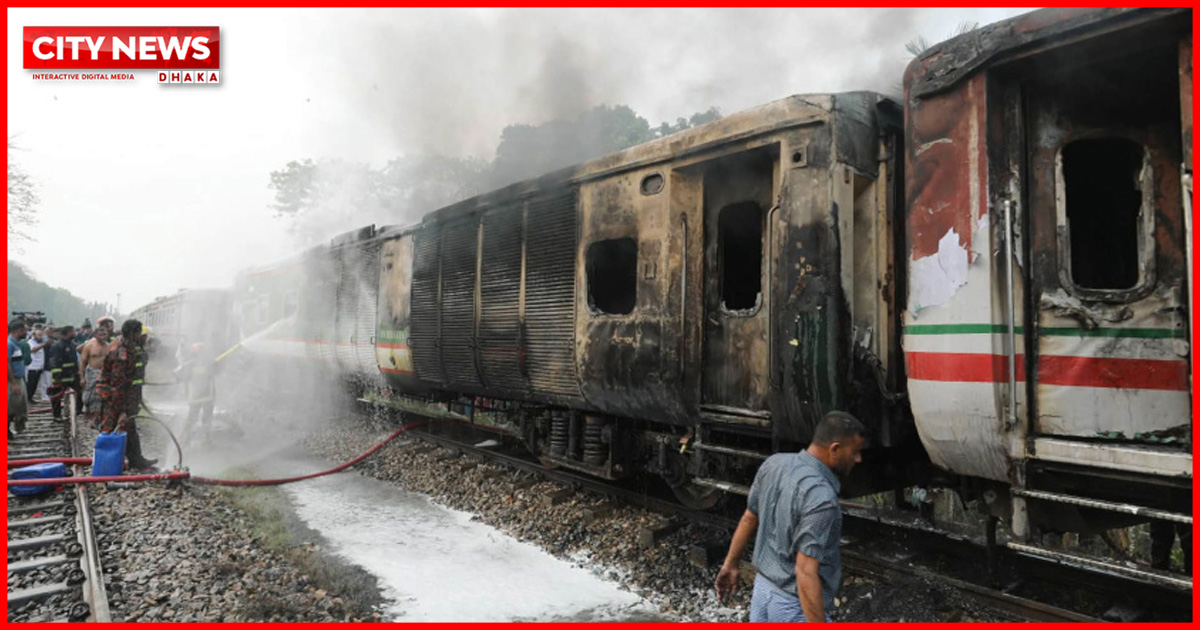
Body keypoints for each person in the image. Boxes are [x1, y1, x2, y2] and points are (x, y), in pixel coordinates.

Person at [715, 411, 867, 623]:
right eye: (856, 452)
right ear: (835, 449)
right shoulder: (822, 499)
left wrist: (730, 565)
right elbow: (805, 571)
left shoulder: (774, 464)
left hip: (762, 592)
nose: (858, 459)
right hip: (792, 606)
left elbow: (749, 518)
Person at [96, 319, 157, 470]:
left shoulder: (127, 346)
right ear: (133, 333)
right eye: (138, 333)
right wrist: (122, 410)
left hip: (125, 396)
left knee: (130, 427)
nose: (140, 336)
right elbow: (118, 385)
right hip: (114, 397)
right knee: (110, 429)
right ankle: (105, 465)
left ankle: (136, 461)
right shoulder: (121, 353)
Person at [176, 341, 219, 444]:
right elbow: (182, 377)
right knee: (202, 418)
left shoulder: (196, 363)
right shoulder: (197, 363)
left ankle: (192, 439)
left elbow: (182, 377)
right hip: (204, 396)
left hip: (199, 396)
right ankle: (193, 439)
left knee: (197, 418)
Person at [47, 324, 81, 421]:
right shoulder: (57, 345)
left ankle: (78, 411)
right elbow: (53, 361)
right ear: (69, 332)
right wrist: (57, 376)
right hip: (61, 376)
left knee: (80, 391)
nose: (75, 333)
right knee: (56, 396)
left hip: (73, 375)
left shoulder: (72, 344)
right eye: (74, 331)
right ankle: (57, 416)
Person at [78, 325, 112, 423]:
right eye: (101, 334)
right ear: (96, 335)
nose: (103, 336)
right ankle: (87, 416)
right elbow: (82, 362)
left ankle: (97, 416)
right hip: (91, 372)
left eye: (105, 334)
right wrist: (82, 377)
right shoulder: (89, 345)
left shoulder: (109, 346)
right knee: (88, 396)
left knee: (101, 396)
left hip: (104, 374)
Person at [8, 319, 30, 435]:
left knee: (19, 405)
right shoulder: (9, 344)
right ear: (19, 330)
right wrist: (13, 383)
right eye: (25, 330)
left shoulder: (15, 344)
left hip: (19, 379)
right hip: (13, 380)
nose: (27, 333)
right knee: (11, 406)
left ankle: (15, 429)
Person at [26, 324, 51, 403]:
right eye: (39, 335)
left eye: (41, 335)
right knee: (31, 384)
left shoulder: (41, 342)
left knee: (35, 385)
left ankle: (30, 397)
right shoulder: (30, 342)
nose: (40, 337)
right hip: (32, 367)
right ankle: (28, 398)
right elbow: (33, 349)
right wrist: (44, 344)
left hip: (39, 367)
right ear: (34, 335)